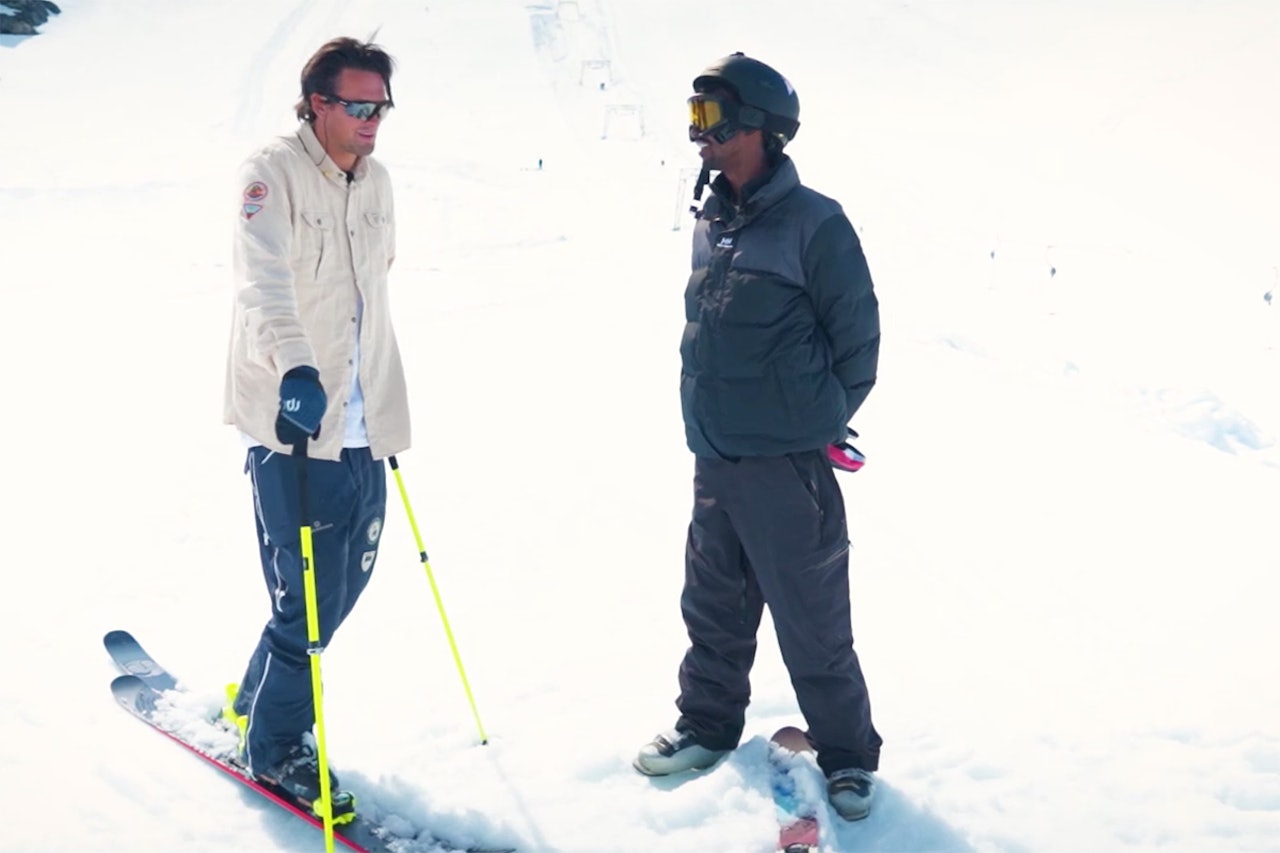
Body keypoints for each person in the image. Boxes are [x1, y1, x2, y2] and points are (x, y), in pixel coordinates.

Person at [632, 53, 883, 822]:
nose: (696, 132)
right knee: (712, 604)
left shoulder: (815, 222)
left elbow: (858, 344)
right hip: (716, 454)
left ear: (761, 129)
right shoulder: (714, 215)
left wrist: (812, 418)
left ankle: (845, 757)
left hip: (783, 464)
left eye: (711, 118)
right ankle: (707, 725)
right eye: (693, 114)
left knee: (811, 617)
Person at [221, 36, 411, 818]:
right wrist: (296, 366)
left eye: (382, 106)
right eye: (359, 105)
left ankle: (262, 696)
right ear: (318, 103)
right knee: (307, 600)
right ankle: (274, 749)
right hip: (293, 419)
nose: (373, 121)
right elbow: (262, 282)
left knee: (342, 588)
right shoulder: (272, 173)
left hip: (367, 419)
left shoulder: (379, 182)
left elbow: (373, 291)